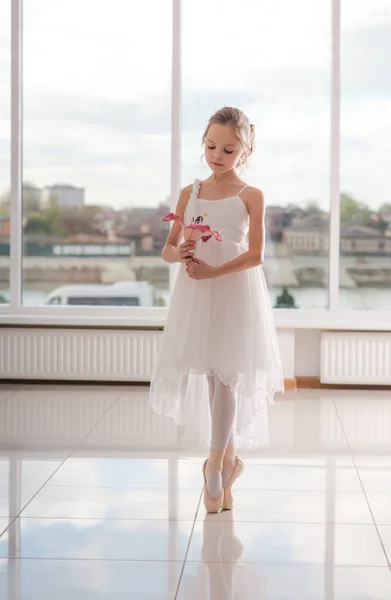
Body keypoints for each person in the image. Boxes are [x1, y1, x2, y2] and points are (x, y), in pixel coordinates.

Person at [149, 106, 284, 512]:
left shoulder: (251, 196)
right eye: (210, 146)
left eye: (228, 149)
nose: (217, 155)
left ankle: (213, 466)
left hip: (234, 289)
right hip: (197, 292)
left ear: (245, 150)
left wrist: (213, 272)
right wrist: (183, 253)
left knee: (225, 377)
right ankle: (228, 461)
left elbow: (256, 255)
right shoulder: (190, 193)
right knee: (210, 375)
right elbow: (167, 250)